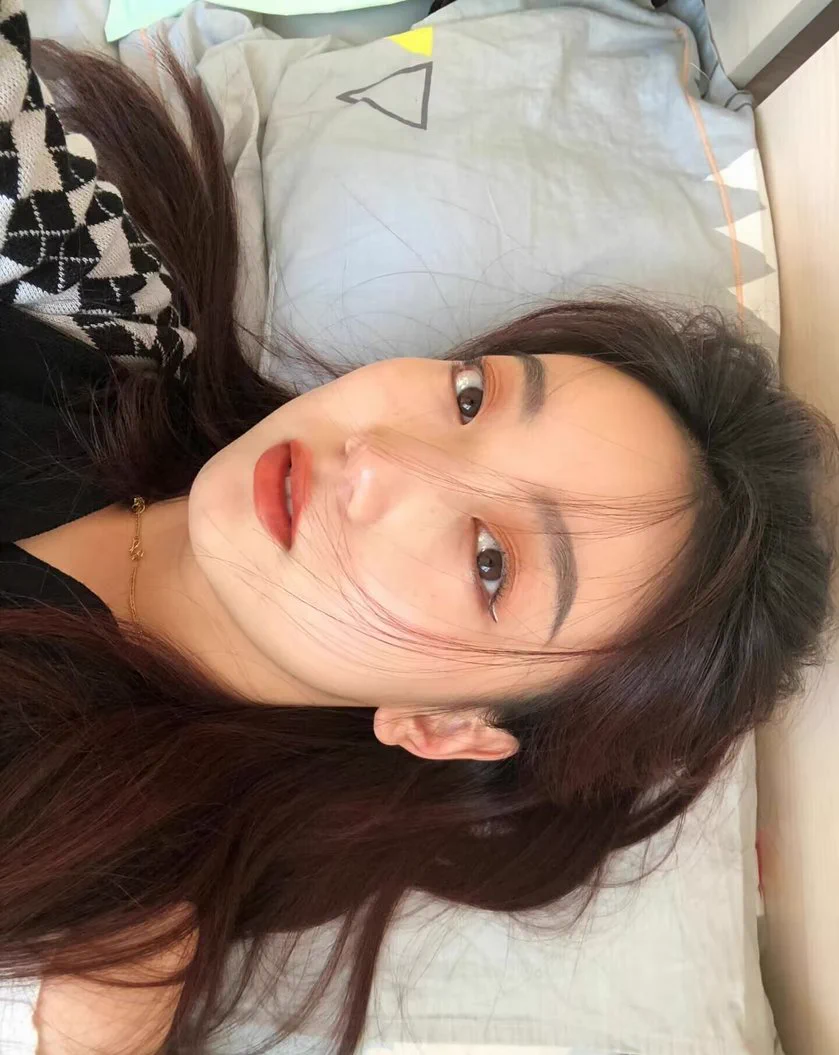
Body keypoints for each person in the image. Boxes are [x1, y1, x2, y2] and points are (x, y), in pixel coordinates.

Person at [0, 2, 834, 1052]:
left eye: (490, 562)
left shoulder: (88, 875)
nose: (379, 460)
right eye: (472, 398)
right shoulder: (103, 306)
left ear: (445, 727)